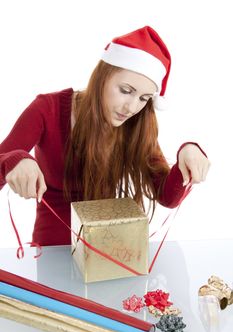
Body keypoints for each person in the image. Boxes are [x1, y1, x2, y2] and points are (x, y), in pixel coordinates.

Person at [0, 26, 210, 246]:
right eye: (126, 90)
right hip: (52, 252)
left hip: (108, 253)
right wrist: (15, 159)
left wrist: (187, 153)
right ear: (102, 77)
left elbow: (167, 196)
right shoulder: (47, 109)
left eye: (144, 98)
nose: (131, 107)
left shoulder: (136, 125)